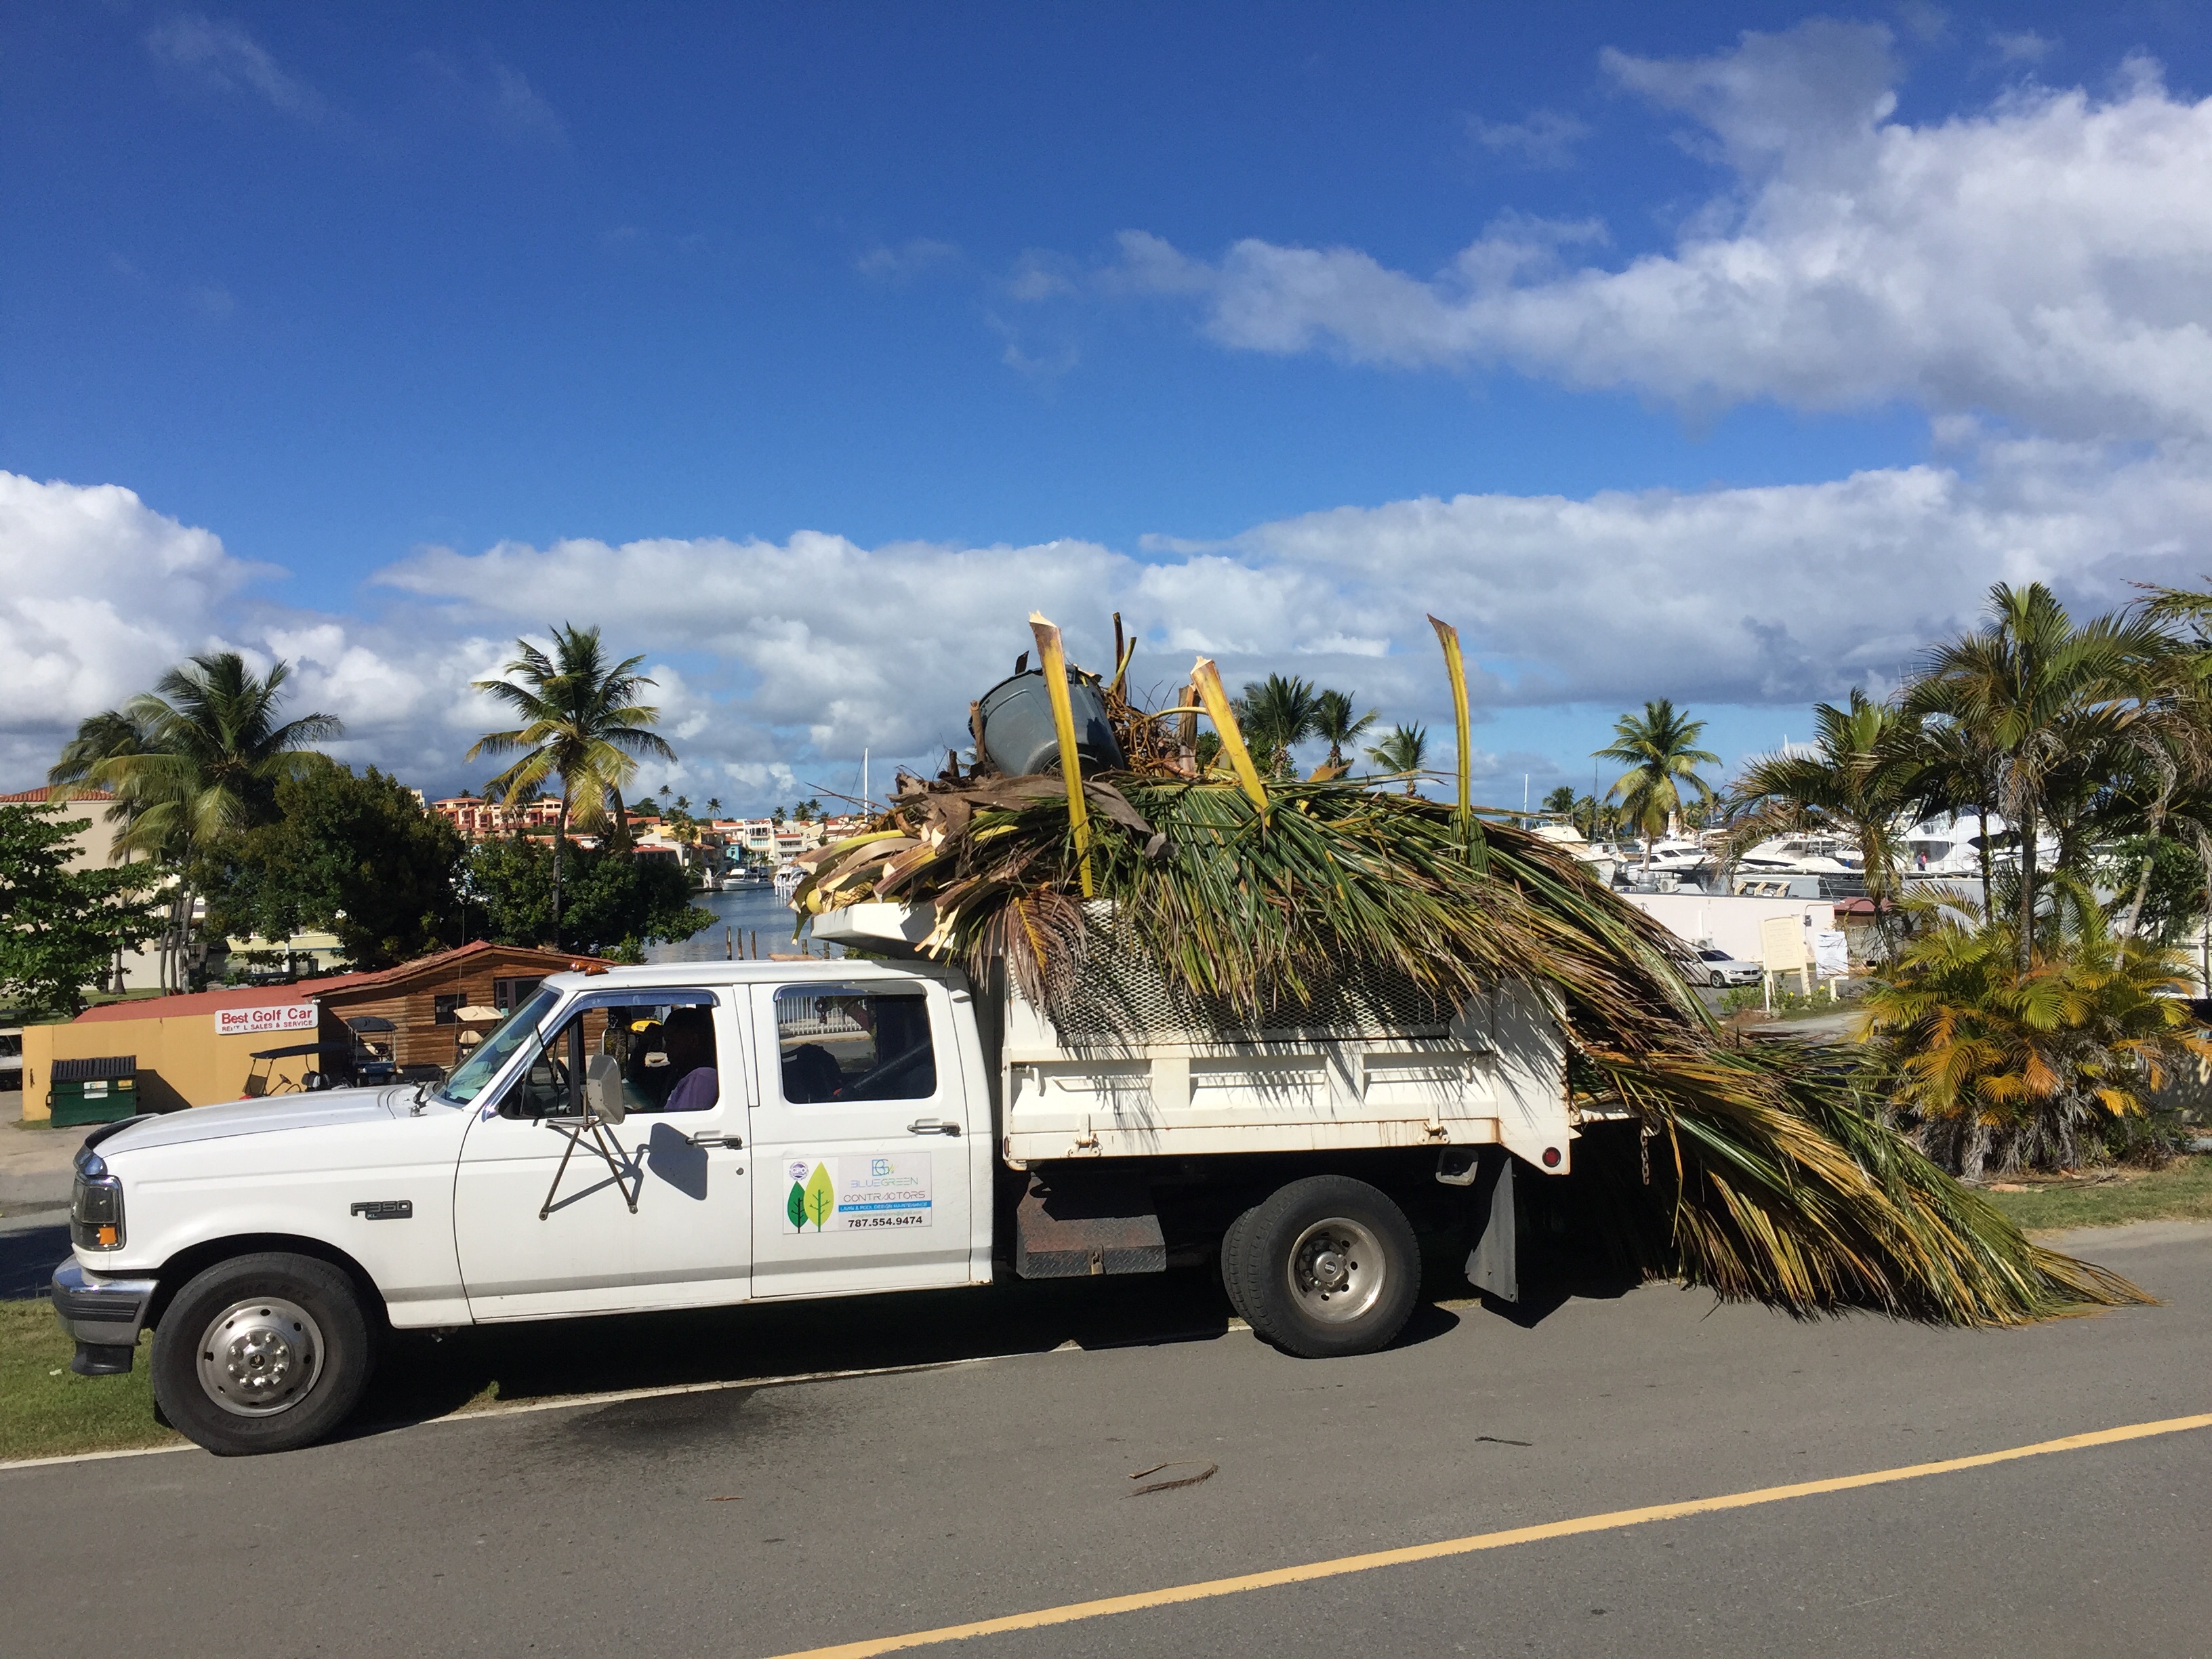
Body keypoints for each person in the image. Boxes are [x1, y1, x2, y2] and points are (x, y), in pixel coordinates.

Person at [657, 1006, 720, 1112]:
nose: (666, 1049)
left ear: (693, 1041)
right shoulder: (678, 1072)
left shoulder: (702, 1078)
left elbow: (683, 1121)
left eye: (671, 1042)